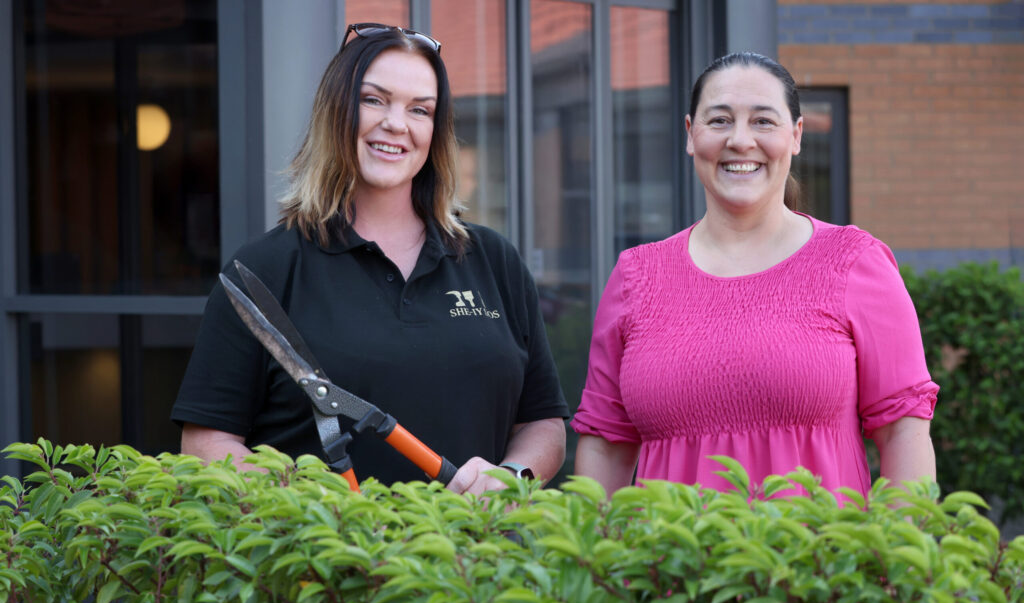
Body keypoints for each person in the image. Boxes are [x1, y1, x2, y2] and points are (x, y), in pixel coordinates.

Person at [172, 23, 568, 494]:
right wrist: (311, 505)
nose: (396, 124)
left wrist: (512, 477)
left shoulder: (494, 261)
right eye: (374, 100)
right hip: (321, 543)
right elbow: (206, 442)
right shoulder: (264, 270)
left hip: (474, 542)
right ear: (336, 111)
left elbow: (543, 423)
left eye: (419, 109)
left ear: (436, 131)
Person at [572, 52, 937, 498]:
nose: (740, 140)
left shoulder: (854, 262)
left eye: (763, 121)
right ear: (690, 134)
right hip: (667, 546)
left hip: (819, 544)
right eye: (720, 120)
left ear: (796, 135)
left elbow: (903, 433)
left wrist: (902, 541)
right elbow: (606, 447)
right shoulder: (637, 277)